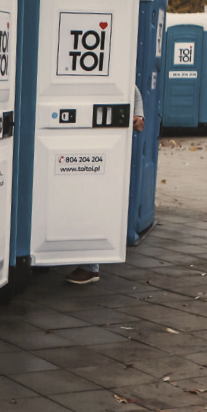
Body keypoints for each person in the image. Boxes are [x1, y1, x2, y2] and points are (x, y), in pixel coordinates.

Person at [64, 84, 146, 285]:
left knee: (91, 197)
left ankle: (90, 265)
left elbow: (130, 86)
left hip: (96, 136)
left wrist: (138, 114)